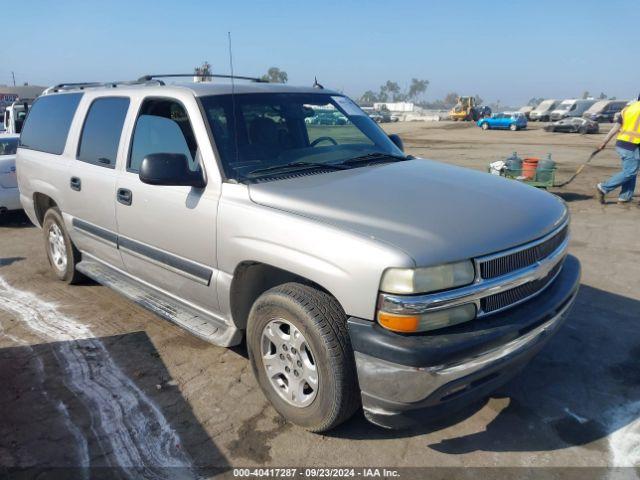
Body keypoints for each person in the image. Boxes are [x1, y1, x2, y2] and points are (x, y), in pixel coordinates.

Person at [596, 95, 640, 204]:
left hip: (622, 144)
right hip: (632, 145)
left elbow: (615, 127)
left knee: (630, 171)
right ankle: (604, 187)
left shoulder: (628, 109)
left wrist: (604, 142)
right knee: (630, 172)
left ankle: (625, 197)